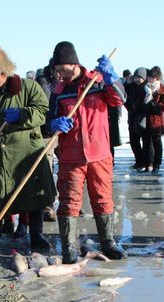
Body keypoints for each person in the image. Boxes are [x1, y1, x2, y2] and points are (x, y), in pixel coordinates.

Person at [0, 45, 56, 251]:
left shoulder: (28, 87)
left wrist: (22, 114)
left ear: (3, 70)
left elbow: (42, 112)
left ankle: (36, 234)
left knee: (32, 194)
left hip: (28, 150)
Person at [46, 41, 126, 263]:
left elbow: (120, 99)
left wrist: (112, 78)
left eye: (62, 69)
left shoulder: (97, 82)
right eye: (57, 70)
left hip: (99, 152)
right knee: (69, 201)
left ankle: (108, 243)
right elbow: (48, 121)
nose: (60, 75)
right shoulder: (59, 92)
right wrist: (54, 124)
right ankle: (68, 248)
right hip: (71, 156)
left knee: (102, 198)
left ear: (73, 64)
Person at [140, 66, 164, 172]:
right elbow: (139, 103)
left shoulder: (162, 90)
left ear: (157, 78)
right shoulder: (144, 88)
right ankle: (149, 163)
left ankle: (157, 163)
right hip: (146, 121)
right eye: (149, 77)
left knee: (157, 143)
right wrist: (144, 106)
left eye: (152, 77)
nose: (150, 79)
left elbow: (163, 107)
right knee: (147, 143)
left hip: (157, 121)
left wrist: (152, 104)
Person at [124, 67, 148, 169]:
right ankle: (138, 161)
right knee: (133, 141)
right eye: (136, 77)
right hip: (132, 117)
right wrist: (130, 108)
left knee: (146, 142)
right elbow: (124, 96)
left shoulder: (146, 88)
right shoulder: (131, 86)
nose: (137, 80)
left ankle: (145, 162)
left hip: (143, 118)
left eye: (140, 77)